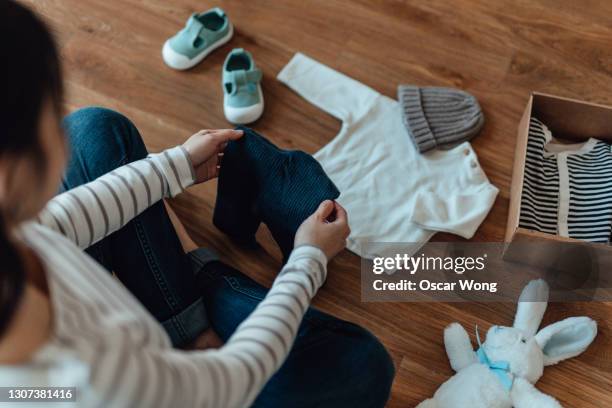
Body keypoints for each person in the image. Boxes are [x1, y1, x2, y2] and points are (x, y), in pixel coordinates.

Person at [0, 1, 394, 407]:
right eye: (49, 118)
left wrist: (177, 166)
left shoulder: (10, 230)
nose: (57, 134)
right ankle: (199, 282)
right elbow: (230, 379)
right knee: (361, 365)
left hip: (131, 360)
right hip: (178, 390)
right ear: (17, 167)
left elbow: (62, 221)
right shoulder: (91, 381)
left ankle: (187, 316)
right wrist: (309, 258)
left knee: (93, 130)